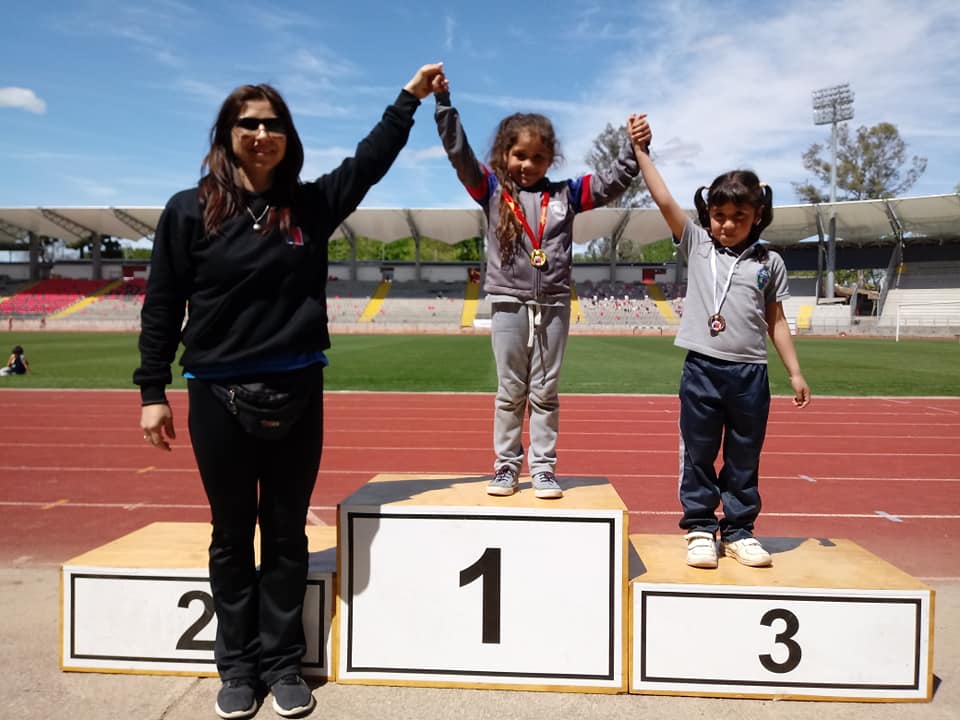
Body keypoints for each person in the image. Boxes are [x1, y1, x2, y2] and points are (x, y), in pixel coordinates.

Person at [134, 63, 445, 720]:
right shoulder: (187, 211)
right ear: (227, 133)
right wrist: (151, 388)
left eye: (273, 123)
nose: (262, 133)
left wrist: (408, 99)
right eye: (248, 122)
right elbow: (162, 303)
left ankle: (282, 663)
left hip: (298, 388)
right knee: (229, 532)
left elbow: (368, 163)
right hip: (216, 393)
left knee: (284, 534)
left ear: (287, 136)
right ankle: (237, 666)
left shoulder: (309, 206)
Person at [433, 74, 639, 499]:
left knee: (545, 389)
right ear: (504, 154)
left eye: (539, 157)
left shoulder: (568, 194)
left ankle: (543, 468)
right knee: (510, 389)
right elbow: (458, 153)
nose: (528, 165)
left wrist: (635, 149)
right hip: (508, 301)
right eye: (519, 155)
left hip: (554, 302)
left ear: (551, 160)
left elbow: (612, 182)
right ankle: (506, 466)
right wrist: (443, 103)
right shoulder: (490, 189)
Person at [628, 114, 811, 569]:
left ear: (758, 217)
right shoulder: (697, 244)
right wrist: (641, 152)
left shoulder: (769, 262)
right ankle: (700, 528)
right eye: (719, 215)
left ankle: (739, 530)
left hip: (750, 373)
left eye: (738, 217)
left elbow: (777, 321)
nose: (727, 224)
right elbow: (664, 198)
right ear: (708, 213)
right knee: (699, 451)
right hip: (702, 368)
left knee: (745, 456)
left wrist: (794, 371)